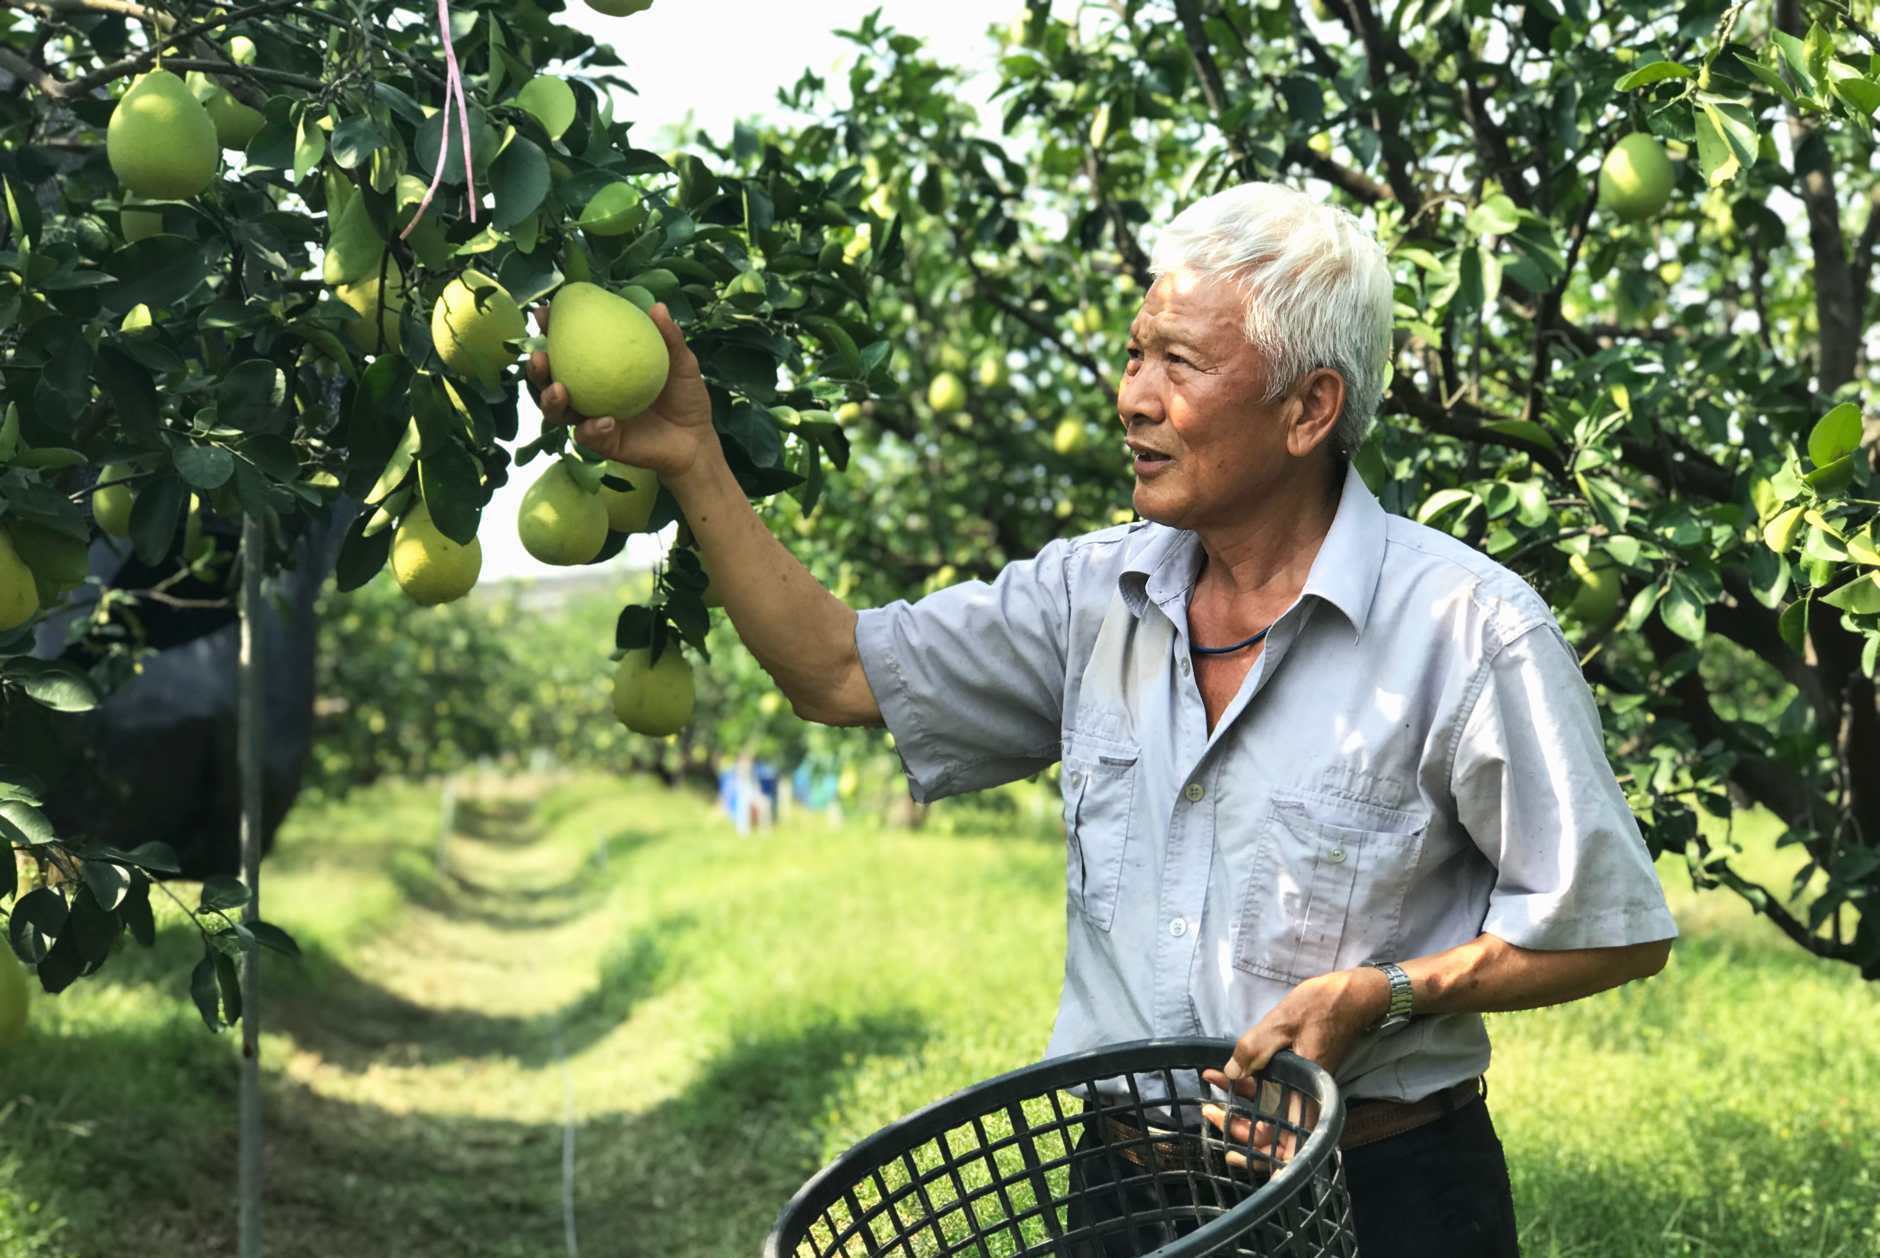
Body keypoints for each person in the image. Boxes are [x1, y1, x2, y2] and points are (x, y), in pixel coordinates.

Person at [528, 181, 1678, 1257]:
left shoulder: (1466, 628)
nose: (1132, 395)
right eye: (1134, 353)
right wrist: (692, 463)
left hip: (1381, 1195)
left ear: (1307, 408)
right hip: (1124, 1191)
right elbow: (835, 671)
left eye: (1177, 362)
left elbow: (1608, 926)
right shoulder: (1090, 600)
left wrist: (1384, 995)